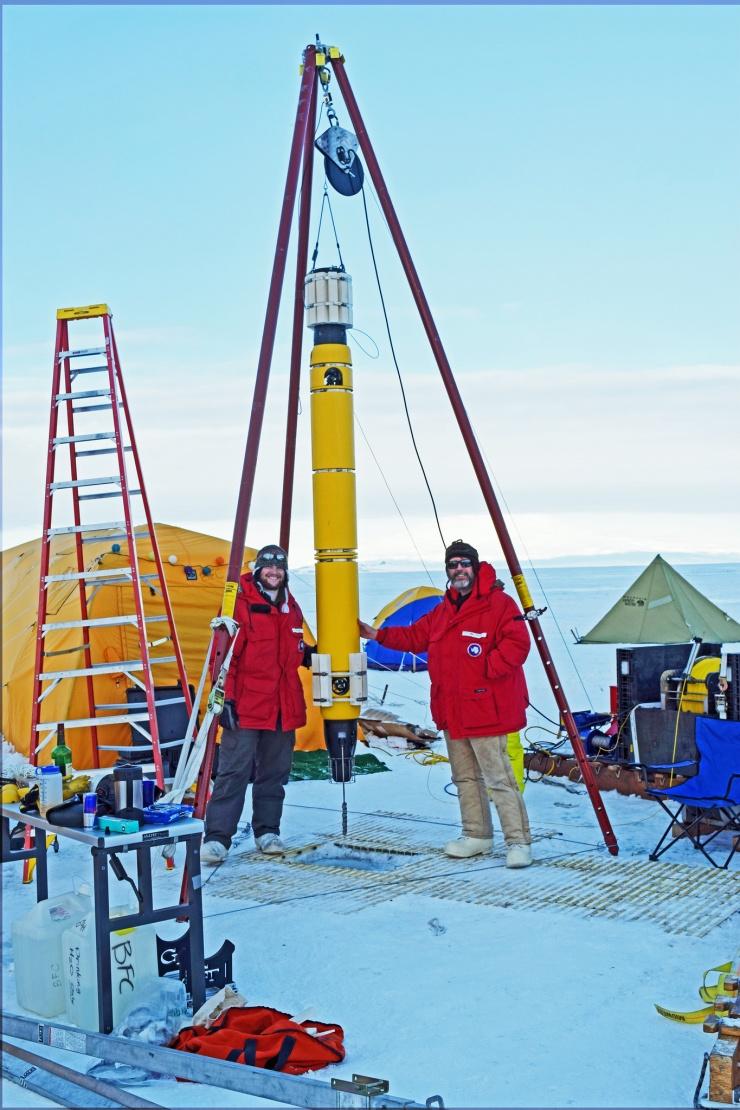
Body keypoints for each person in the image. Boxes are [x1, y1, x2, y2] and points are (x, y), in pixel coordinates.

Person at [358, 540, 533, 868]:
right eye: (453, 565)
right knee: (465, 777)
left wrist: (486, 671)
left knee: (499, 778)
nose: (459, 570)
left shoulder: (499, 605)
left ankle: (518, 841)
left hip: (487, 709)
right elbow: (414, 637)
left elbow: (517, 643)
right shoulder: (443, 610)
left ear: (476, 567)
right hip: (453, 709)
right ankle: (477, 835)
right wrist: (376, 634)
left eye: (464, 564)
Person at [201, 545, 310, 864]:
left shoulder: (292, 607)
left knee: (274, 773)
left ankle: (267, 831)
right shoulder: (239, 604)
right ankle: (218, 837)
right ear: (259, 569)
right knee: (233, 772)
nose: (274, 573)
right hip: (246, 706)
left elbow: (294, 649)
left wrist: (311, 654)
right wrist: (226, 700)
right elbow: (224, 660)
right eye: (268, 568)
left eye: (279, 569)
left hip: (282, 707)